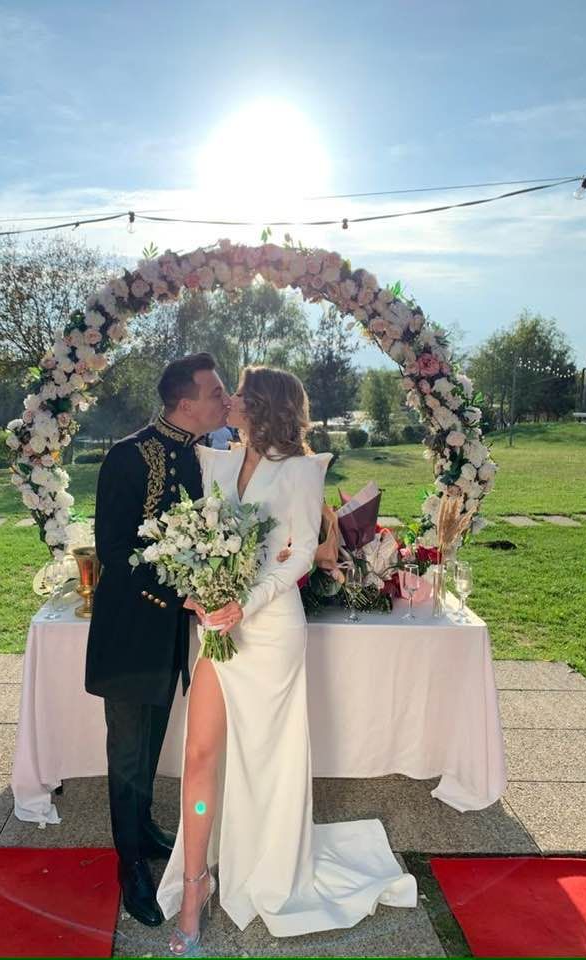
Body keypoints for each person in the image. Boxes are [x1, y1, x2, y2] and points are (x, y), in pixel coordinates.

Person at [156, 366, 417, 954]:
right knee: (200, 753)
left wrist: (243, 604)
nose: (230, 399)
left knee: (266, 760)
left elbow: (300, 555)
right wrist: (200, 590)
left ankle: (268, 866)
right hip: (218, 626)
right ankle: (195, 884)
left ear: (263, 405)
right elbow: (202, 537)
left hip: (270, 630)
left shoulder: (302, 470)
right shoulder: (214, 461)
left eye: (240, 392)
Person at [85, 352, 230, 927]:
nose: (224, 400)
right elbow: (114, 549)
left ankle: (143, 830)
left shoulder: (201, 455)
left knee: (149, 745)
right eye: (215, 392)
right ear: (185, 402)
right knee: (127, 754)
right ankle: (130, 868)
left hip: (167, 635)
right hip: (129, 632)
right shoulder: (128, 456)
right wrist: (180, 596)